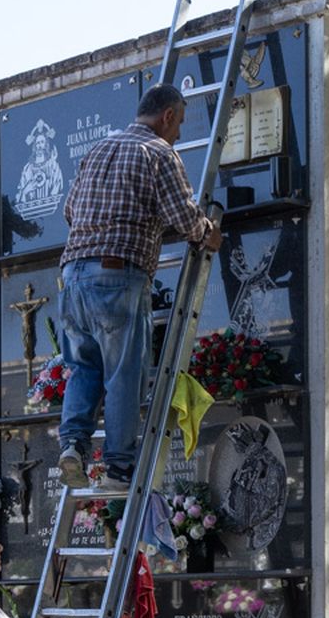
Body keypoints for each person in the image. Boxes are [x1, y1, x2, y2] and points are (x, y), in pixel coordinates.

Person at [56, 84, 224, 490]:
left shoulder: (98, 149)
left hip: (73, 276)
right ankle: (118, 469)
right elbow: (184, 216)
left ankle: (73, 446)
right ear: (167, 116)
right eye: (180, 123)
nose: (180, 133)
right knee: (124, 376)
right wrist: (207, 232)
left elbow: (69, 212)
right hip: (118, 276)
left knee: (83, 369)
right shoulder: (159, 153)